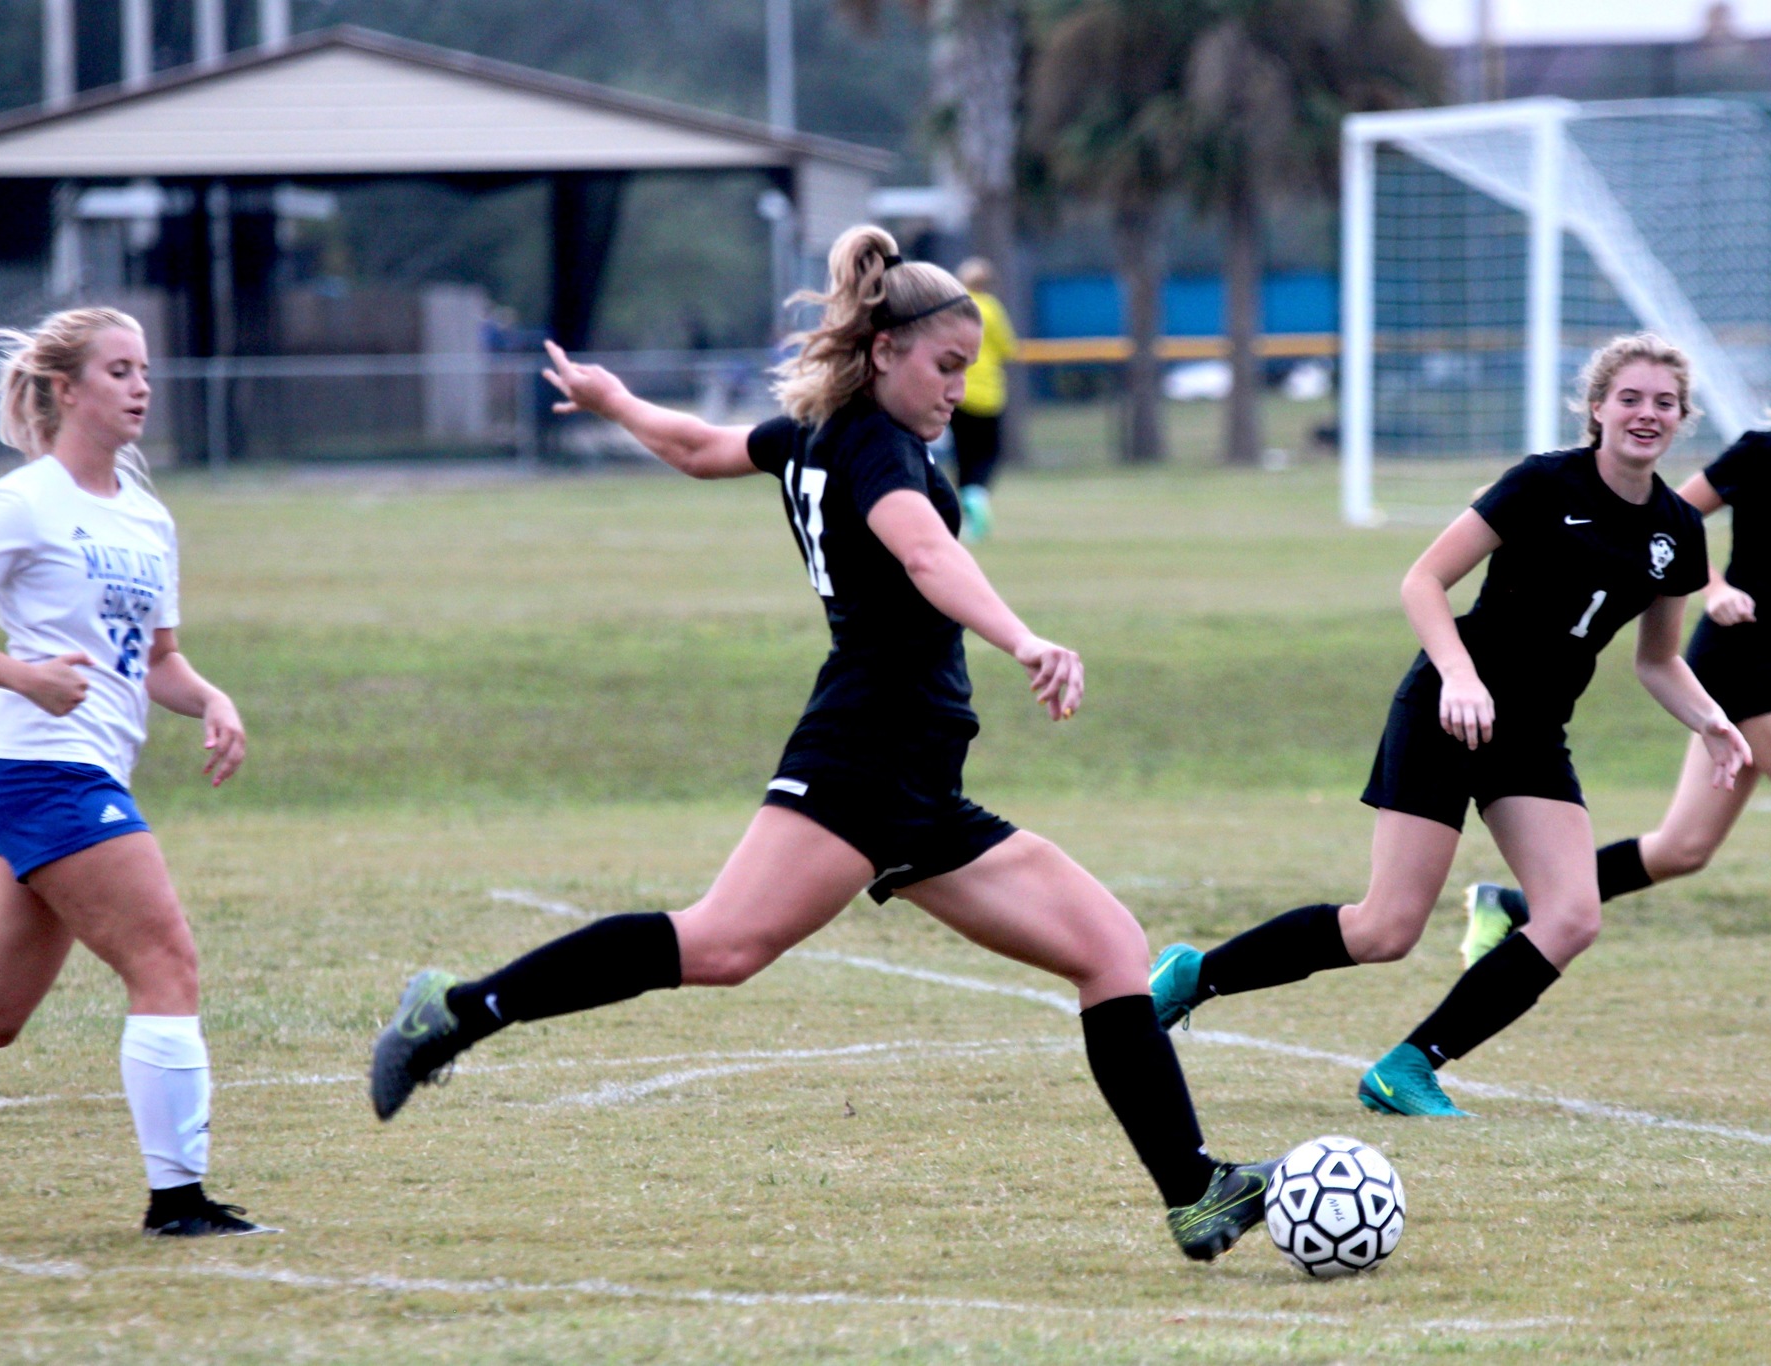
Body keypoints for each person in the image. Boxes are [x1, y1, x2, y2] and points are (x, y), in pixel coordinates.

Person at [369, 226, 1278, 1260]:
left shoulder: (820, 430)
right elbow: (928, 553)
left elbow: (703, 448)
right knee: (719, 945)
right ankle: (452, 1012)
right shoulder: (874, 449)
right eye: (945, 366)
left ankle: (1194, 1194)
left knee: (1109, 946)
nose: (956, 390)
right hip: (862, 751)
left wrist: (615, 402)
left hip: (921, 779)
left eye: (967, 371)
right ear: (886, 350)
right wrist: (1023, 637)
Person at [1147, 333, 1751, 1116]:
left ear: (1682, 418)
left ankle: (1409, 1067)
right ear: (1597, 406)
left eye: (1664, 403)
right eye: (1630, 398)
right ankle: (1198, 975)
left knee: (1571, 916)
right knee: (1385, 930)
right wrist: (1461, 677)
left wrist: (1711, 721)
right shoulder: (1541, 483)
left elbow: (1658, 660)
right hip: (1448, 709)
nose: (1646, 414)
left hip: (1532, 731)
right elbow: (1424, 580)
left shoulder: (1679, 530)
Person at [1458, 316, 1771, 1026]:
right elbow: (1677, 520)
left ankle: (1510, 905)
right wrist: (1717, 588)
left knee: (1682, 849)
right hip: (1736, 656)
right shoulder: (1764, 453)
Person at [0, 308, 270, 1236]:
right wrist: (23, 676)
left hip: (85, 770)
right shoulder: (24, 502)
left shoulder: (145, 514)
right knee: (166, 961)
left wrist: (212, 699)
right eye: (120, 370)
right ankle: (178, 1201)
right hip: (41, 770)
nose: (142, 387)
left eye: (146, 370)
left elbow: (157, 662)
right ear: (66, 390)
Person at [949, 257, 1017, 544]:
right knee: (989, 453)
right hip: (988, 395)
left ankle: (967, 512)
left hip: (957, 394)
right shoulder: (991, 309)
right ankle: (978, 493)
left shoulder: (954, 310)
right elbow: (1008, 348)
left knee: (963, 455)